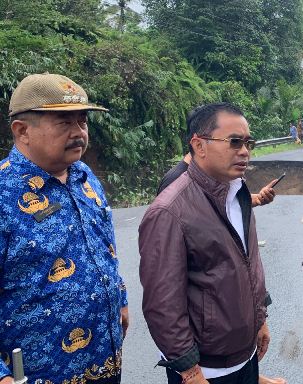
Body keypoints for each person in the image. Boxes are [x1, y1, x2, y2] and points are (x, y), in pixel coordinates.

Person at [0, 73, 128, 384]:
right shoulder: (3, 194)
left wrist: (120, 301)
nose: (79, 132)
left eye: (82, 121)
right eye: (64, 123)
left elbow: (103, 247)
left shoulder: (84, 177)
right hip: (37, 375)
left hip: (105, 363)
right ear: (22, 130)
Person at [139, 103, 273, 384]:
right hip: (205, 371)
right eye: (234, 142)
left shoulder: (238, 193)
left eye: (248, 142)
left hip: (245, 358)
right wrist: (189, 371)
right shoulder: (169, 210)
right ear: (199, 146)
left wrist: (260, 318)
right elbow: (162, 304)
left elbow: (248, 264)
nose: (245, 151)